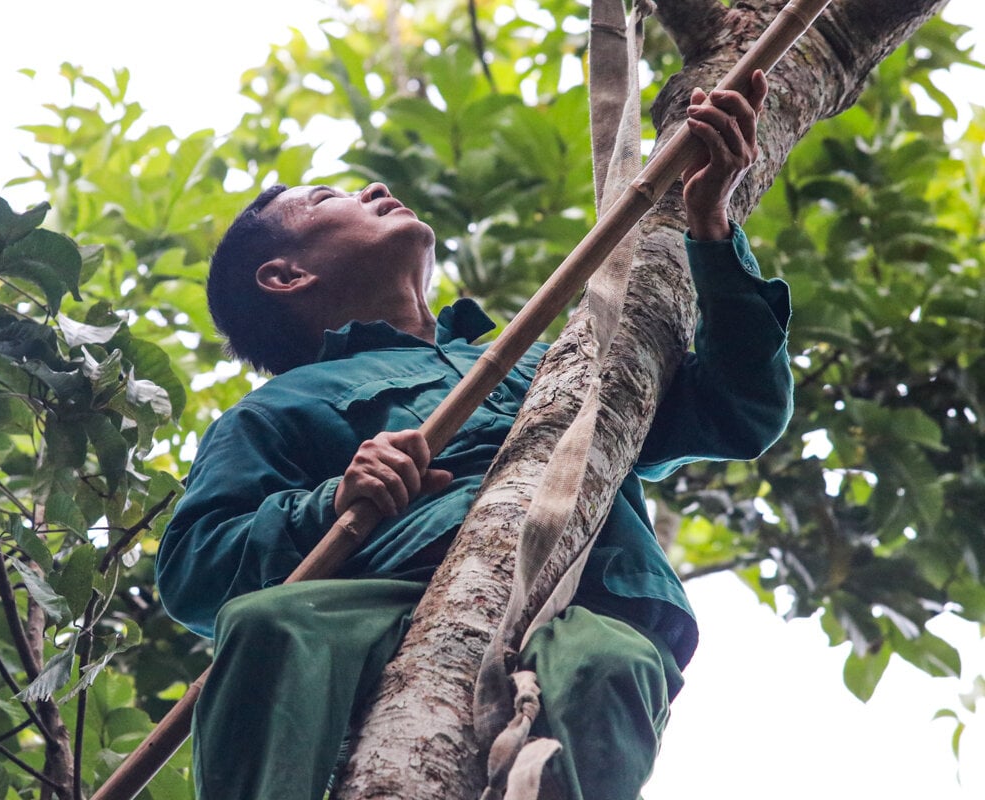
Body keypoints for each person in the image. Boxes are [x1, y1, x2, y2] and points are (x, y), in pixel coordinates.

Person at [155, 70, 792, 800]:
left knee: (610, 667)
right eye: (331, 198)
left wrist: (710, 227)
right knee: (267, 625)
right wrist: (332, 502)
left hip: (585, 591)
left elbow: (742, 411)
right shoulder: (278, 408)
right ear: (284, 275)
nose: (370, 190)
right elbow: (195, 572)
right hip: (378, 604)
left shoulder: (547, 364)